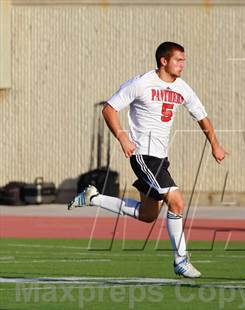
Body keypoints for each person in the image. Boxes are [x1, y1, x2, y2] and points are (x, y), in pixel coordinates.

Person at [68, 42, 227, 278]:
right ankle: (181, 260)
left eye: (184, 60)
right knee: (177, 201)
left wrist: (215, 144)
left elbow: (201, 117)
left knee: (148, 215)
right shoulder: (141, 83)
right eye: (178, 60)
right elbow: (109, 109)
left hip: (161, 158)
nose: (183, 64)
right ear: (164, 61)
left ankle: (93, 198)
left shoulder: (183, 88)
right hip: (143, 154)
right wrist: (122, 136)